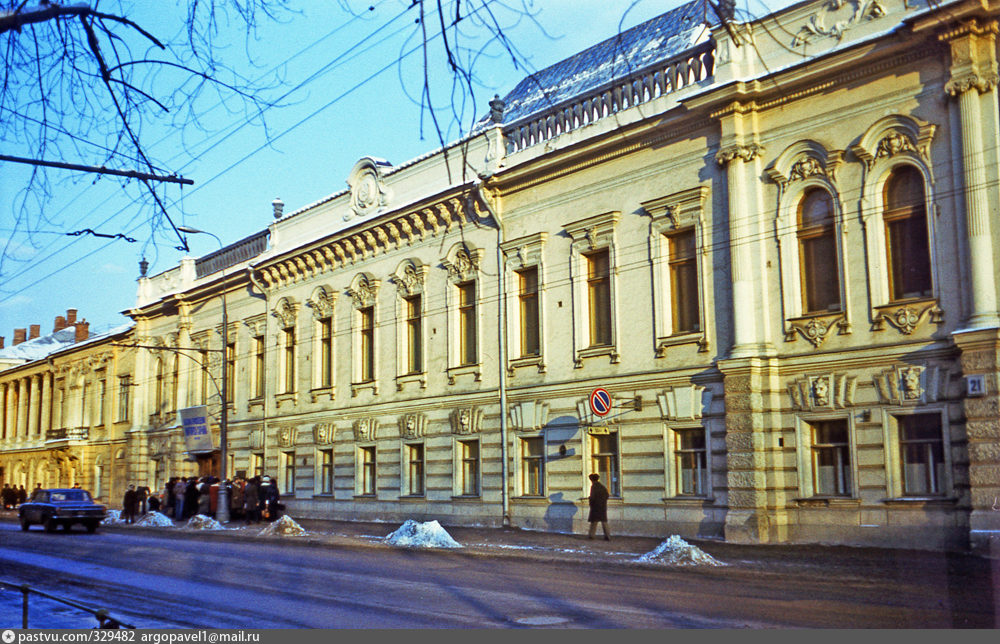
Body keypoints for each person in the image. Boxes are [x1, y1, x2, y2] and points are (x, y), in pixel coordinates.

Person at [587, 473, 611, 541]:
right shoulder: (602, 486)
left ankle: (591, 535)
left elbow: (593, 497)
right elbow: (607, 495)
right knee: (604, 521)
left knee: (594, 522)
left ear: (592, 480)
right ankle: (607, 536)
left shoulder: (594, 486)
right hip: (602, 507)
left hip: (595, 507)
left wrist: (590, 500)